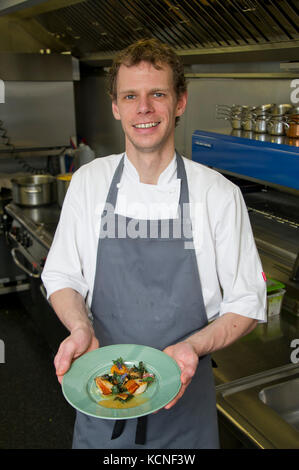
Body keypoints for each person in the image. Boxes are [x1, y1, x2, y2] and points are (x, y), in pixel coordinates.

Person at [41, 38, 267, 449]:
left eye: (157, 94)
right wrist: (79, 327)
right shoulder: (89, 183)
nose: (143, 108)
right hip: (101, 404)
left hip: (185, 415)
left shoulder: (217, 194)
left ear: (180, 102)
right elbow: (61, 274)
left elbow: (247, 301)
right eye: (131, 96)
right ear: (116, 106)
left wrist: (192, 347)